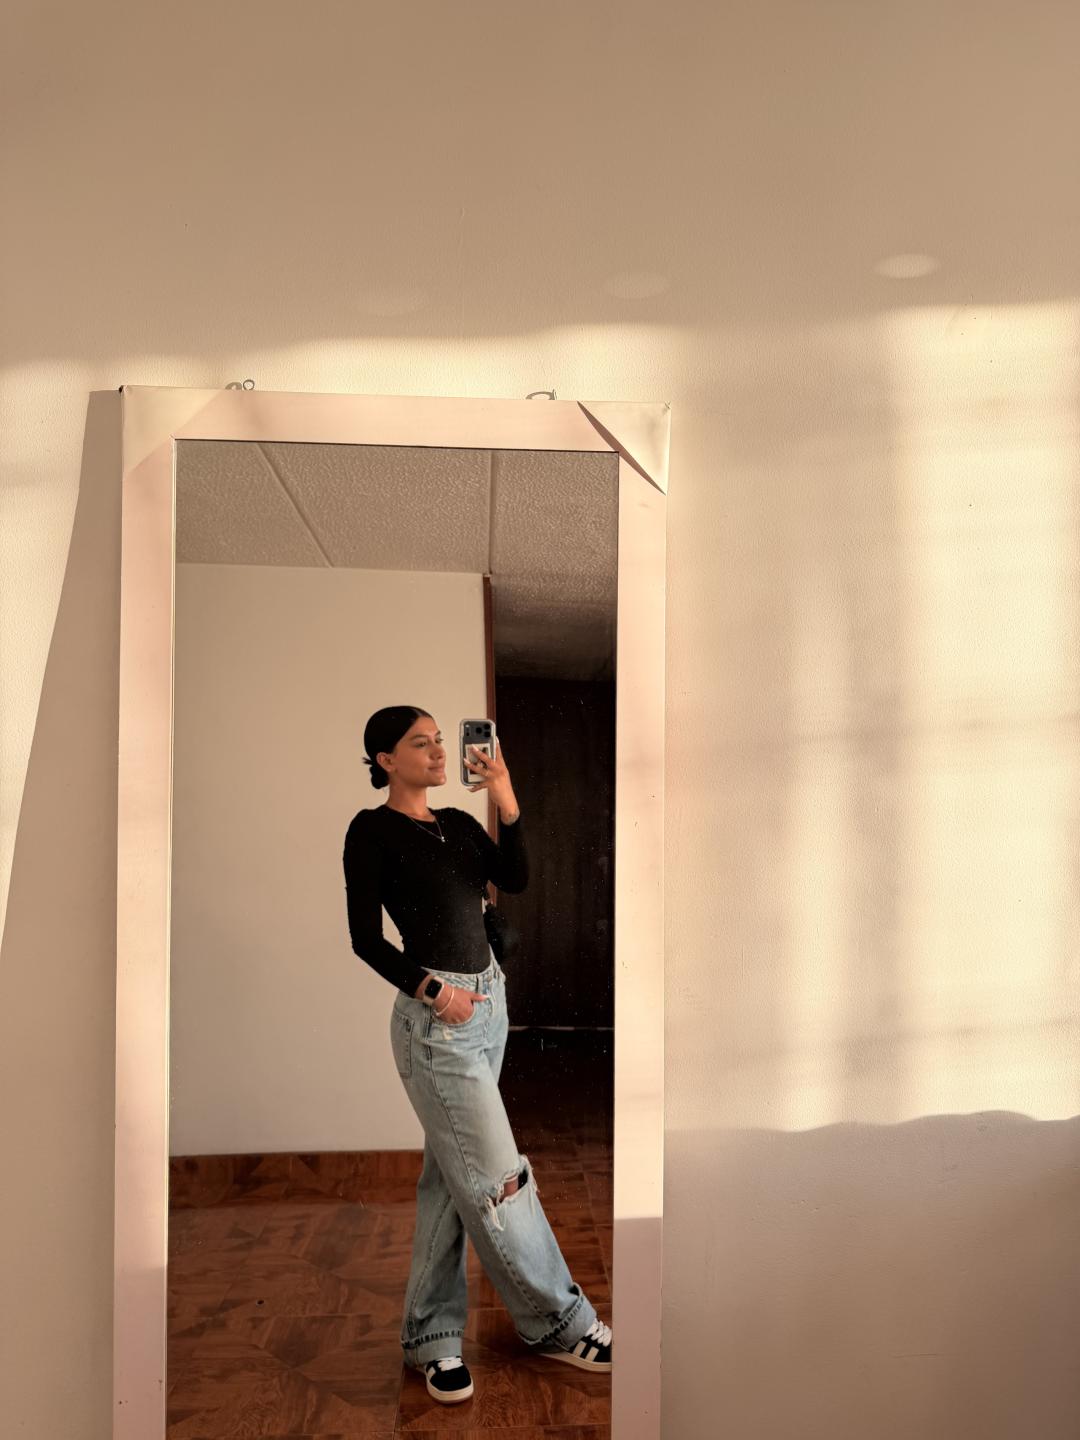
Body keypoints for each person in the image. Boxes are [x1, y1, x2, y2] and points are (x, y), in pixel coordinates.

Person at [342, 704, 612, 1405]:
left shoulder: (459, 824)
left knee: (452, 1179)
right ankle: (559, 1321)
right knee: (498, 1178)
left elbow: (515, 878)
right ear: (385, 760)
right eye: (420, 743)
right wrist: (436, 993)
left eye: (440, 741)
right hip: (440, 1025)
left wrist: (505, 796)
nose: (438, 752)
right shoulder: (371, 831)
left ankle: (431, 1338)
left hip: (490, 1007)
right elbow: (365, 938)